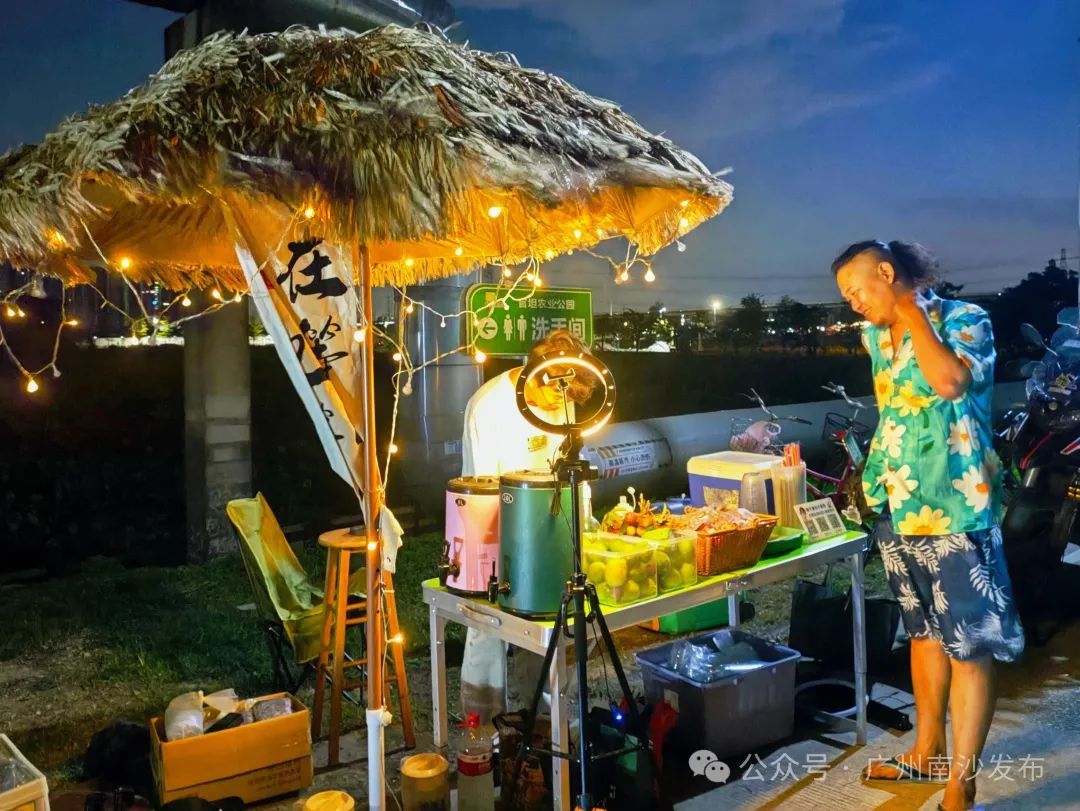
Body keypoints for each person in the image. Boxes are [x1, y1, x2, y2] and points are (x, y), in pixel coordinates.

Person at [831, 240, 1024, 811]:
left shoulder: (965, 319)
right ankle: (926, 751)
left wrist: (912, 312)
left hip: (957, 503)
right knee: (923, 634)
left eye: (857, 290)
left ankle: (961, 783)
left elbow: (950, 384)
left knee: (969, 645)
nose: (854, 304)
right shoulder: (874, 338)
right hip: (898, 502)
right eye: (847, 297)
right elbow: (894, 411)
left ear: (886, 272)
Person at [459, 328, 598, 722]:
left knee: (549, 619)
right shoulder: (489, 406)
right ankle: (483, 724)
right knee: (488, 624)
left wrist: (585, 519)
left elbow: (569, 464)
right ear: (535, 372)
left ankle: (543, 717)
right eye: (554, 394)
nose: (559, 403)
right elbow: (484, 486)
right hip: (491, 524)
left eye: (565, 397)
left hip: (549, 529)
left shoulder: (562, 391)